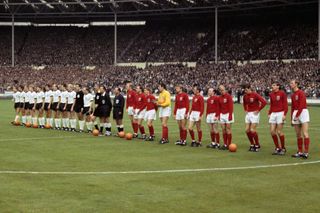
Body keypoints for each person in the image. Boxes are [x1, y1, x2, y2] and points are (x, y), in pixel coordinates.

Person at [242, 84, 267, 152]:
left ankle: (257, 144)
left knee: (252, 130)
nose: (245, 91)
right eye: (244, 90)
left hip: (254, 114)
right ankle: (252, 144)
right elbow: (244, 103)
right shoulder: (245, 96)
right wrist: (245, 110)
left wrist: (258, 110)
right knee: (247, 130)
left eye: (246, 89)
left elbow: (264, 102)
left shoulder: (255, 94)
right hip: (248, 114)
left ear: (250, 88)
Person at [290, 80, 310, 159]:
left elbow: (302, 105)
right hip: (296, 113)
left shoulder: (301, 93)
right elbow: (292, 107)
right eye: (290, 83)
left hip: (303, 113)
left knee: (305, 133)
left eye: (292, 83)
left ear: (296, 84)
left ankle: (306, 152)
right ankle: (300, 151)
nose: (290, 84)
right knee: (298, 134)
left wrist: (297, 115)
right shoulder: (292, 95)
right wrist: (292, 117)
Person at [268, 82, 288, 155]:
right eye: (272, 85)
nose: (272, 86)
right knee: (272, 132)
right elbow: (271, 105)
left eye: (274, 85)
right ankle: (277, 148)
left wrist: (284, 114)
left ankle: (283, 148)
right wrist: (269, 113)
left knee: (279, 132)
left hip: (280, 113)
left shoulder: (282, 93)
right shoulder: (271, 94)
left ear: (278, 86)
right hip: (273, 113)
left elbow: (285, 104)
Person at [218, 85, 234, 150]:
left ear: (225, 89)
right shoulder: (219, 97)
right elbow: (219, 107)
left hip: (228, 114)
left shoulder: (229, 96)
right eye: (220, 90)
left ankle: (229, 144)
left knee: (228, 129)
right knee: (223, 130)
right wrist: (219, 115)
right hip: (222, 114)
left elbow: (231, 106)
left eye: (223, 90)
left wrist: (230, 115)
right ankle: (225, 144)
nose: (222, 91)